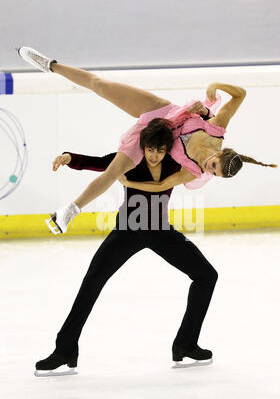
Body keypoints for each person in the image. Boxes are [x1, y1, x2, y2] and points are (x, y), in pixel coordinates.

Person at [17, 47, 277, 234]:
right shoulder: (215, 129)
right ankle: (50, 64)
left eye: (214, 174)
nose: (208, 169)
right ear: (220, 154)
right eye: (214, 165)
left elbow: (163, 184)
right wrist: (215, 85)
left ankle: (69, 211)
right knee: (101, 85)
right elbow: (240, 95)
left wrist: (129, 181)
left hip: (152, 140)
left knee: (113, 171)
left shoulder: (192, 172)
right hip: (163, 112)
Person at [34, 119, 218, 376]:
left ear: (167, 149)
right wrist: (69, 157)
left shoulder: (175, 162)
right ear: (143, 146)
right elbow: (98, 163)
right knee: (91, 282)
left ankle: (185, 343)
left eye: (160, 150)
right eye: (150, 149)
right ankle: (65, 350)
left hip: (161, 232)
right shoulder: (130, 159)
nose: (154, 156)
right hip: (126, 231)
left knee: (207, 275)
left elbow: (205, 147)